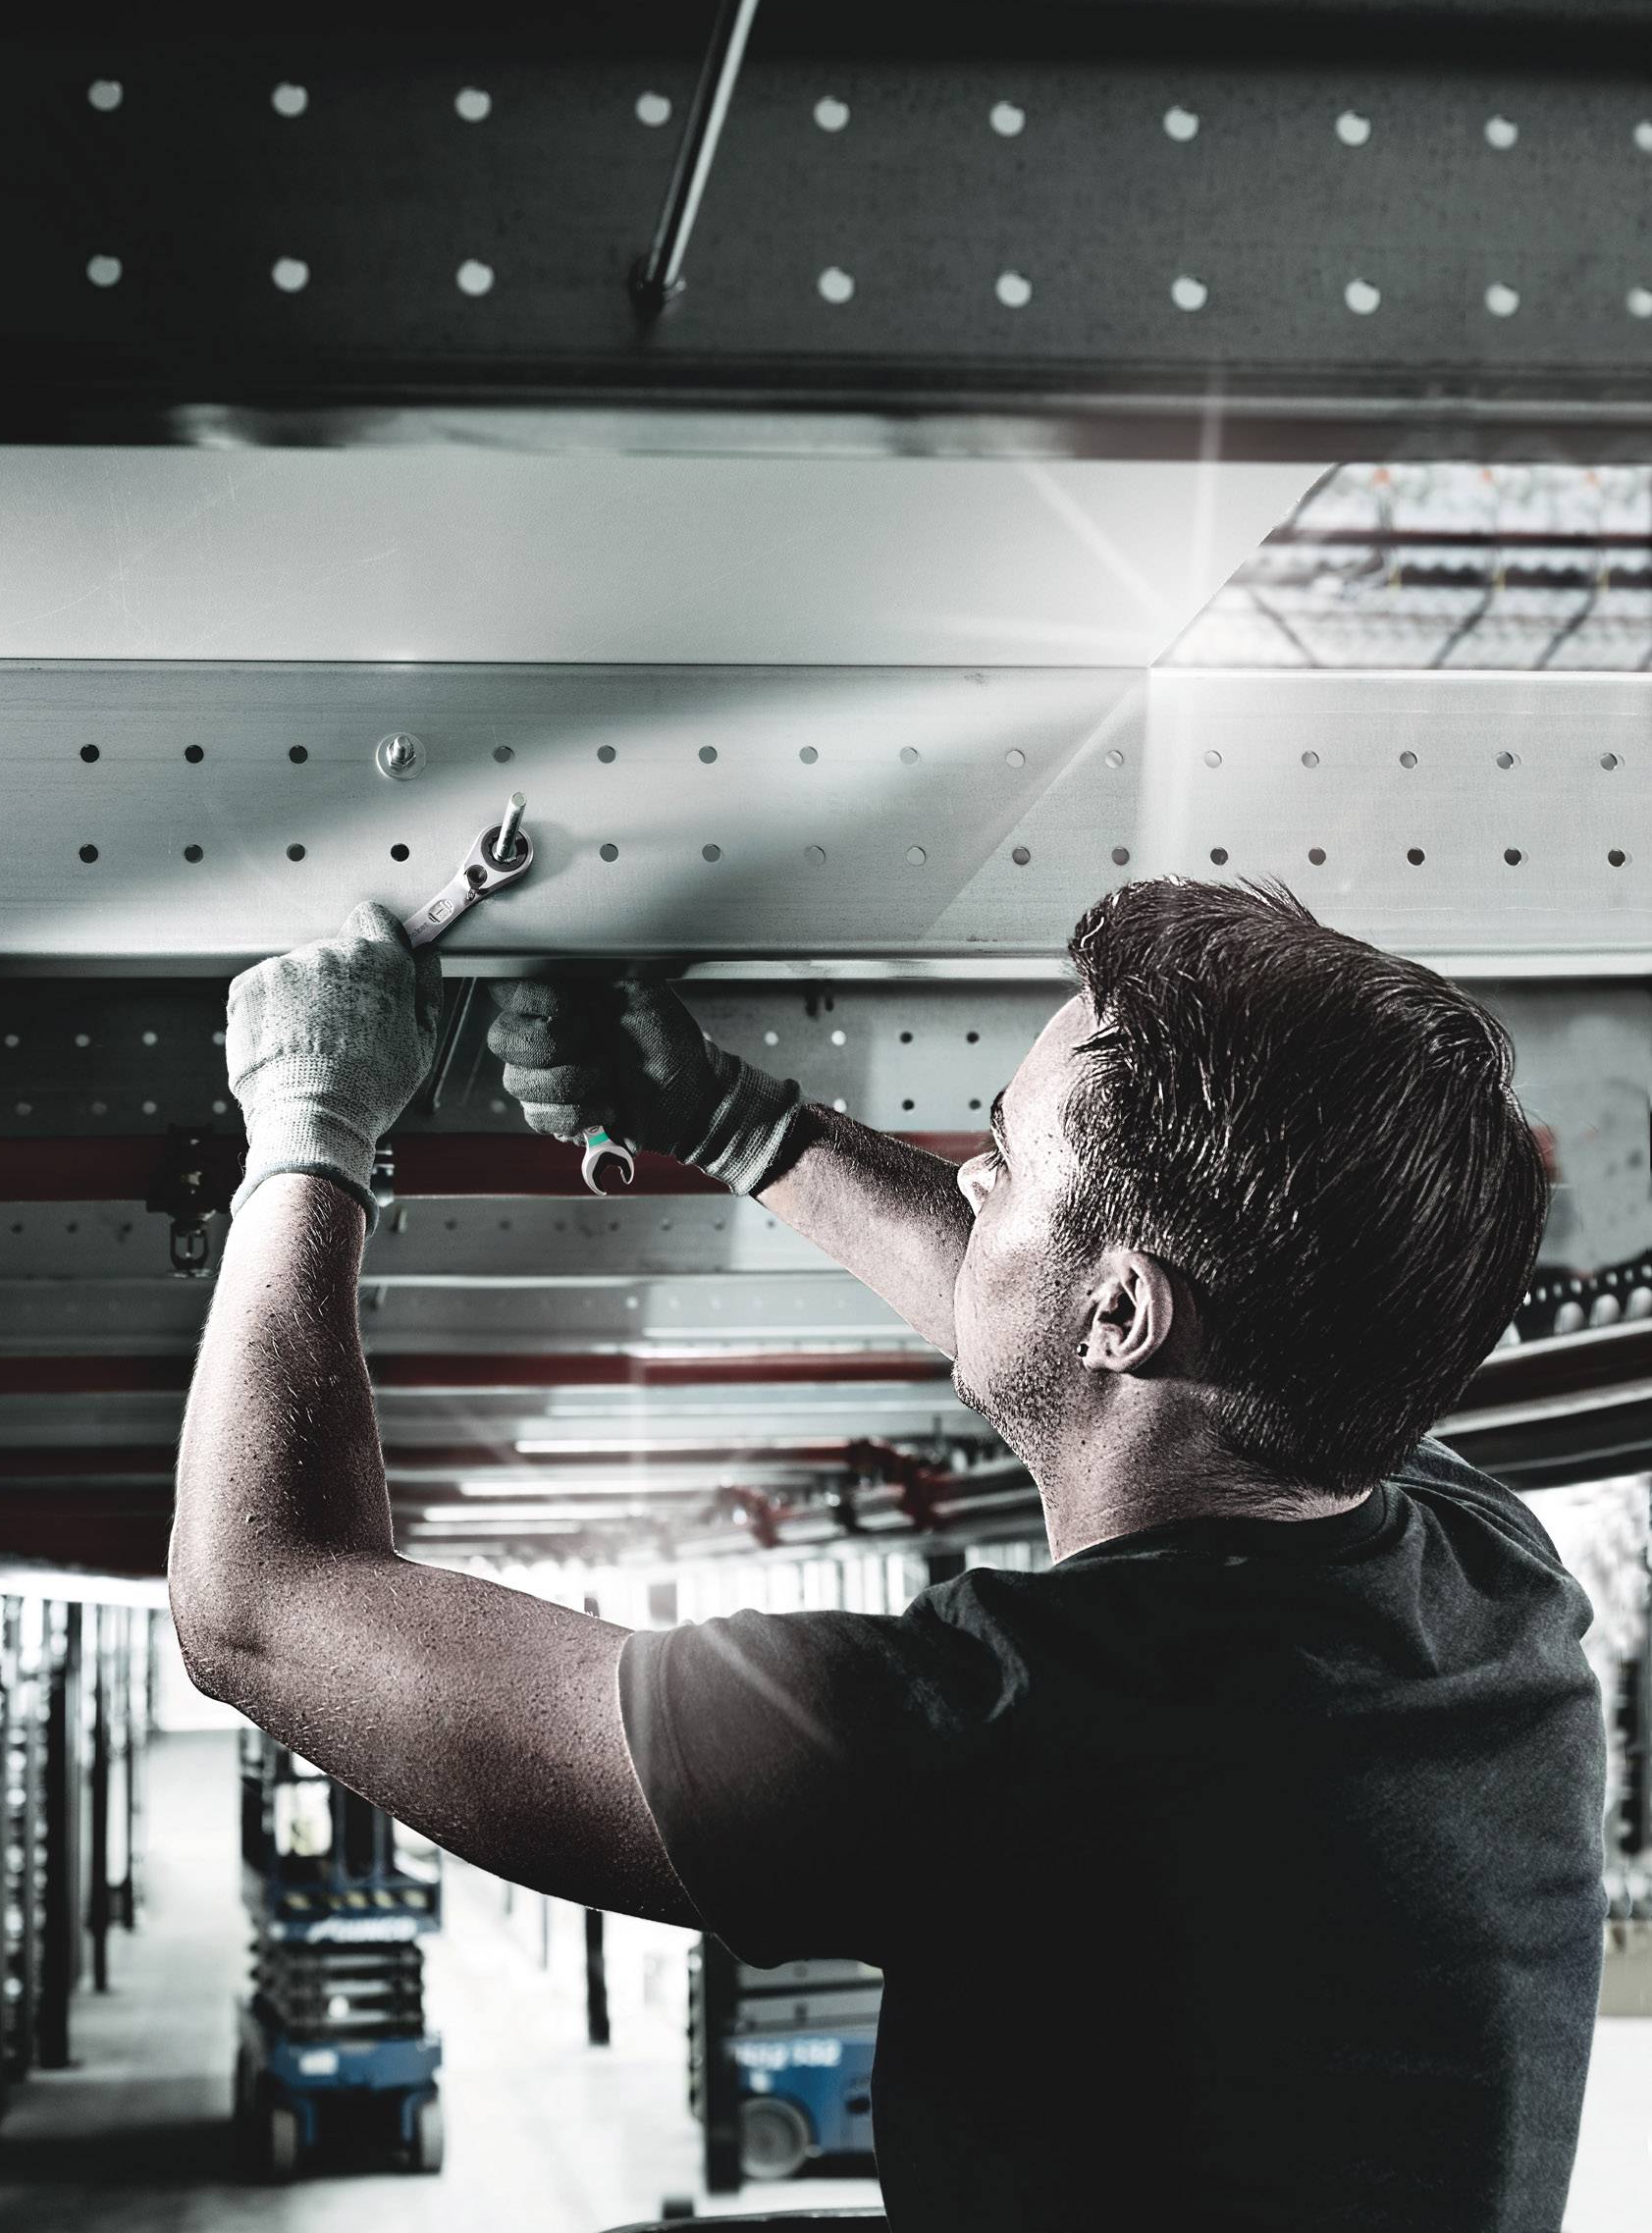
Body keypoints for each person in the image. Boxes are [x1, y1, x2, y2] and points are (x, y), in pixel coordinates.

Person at [169, 876, 1607, 2231]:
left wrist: (309, 1128)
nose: (968, 1182)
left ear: (1122, 1314)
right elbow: (1067, 1324)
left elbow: (257, 1605)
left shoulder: (986, 1730)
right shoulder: (1487, 1574)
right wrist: (728, 1118)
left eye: (1006, 1159)